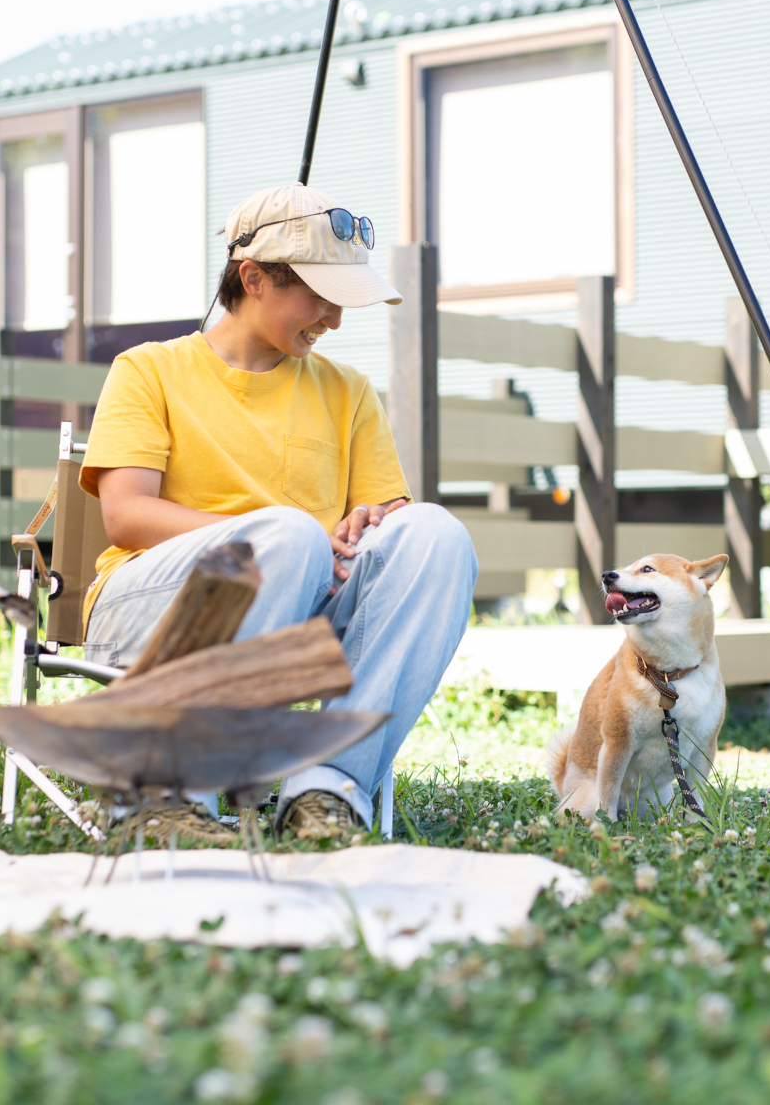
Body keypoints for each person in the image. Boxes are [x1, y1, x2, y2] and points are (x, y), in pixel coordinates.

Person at [81, 183, 478, 841]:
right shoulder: (148, 370)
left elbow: (390, 520)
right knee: (289, 535)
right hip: (150, 613)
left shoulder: (348, 390)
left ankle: (325, 789)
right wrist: (284, 537)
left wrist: (370, 522)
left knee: (438, 534)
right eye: (320, 296)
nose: (335, 320)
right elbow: (126, 516)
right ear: (254, 278)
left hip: (301, 605)